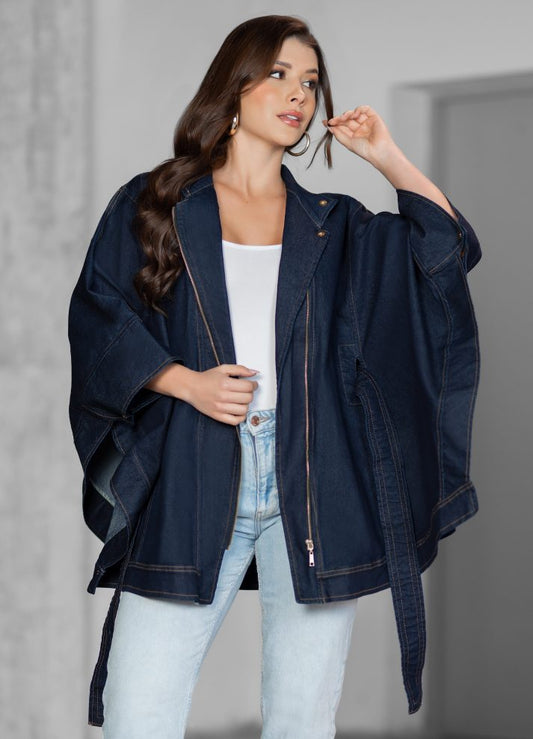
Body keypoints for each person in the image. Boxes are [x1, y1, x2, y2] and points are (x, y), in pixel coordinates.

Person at [67, 13, 482, 738]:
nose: (299, 95)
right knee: (138, 711)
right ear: (234, 87)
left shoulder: (336, 224)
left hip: (315, 481)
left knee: (302, 718)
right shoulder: (157, 203)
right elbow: (98, 314)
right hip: (195, 466)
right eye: (280, 74)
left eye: (312, 83)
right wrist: (183, 381)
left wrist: (385, 157)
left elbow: (446, 250)